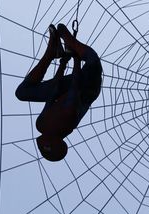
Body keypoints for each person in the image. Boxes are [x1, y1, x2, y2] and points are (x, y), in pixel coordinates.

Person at [15, 24, 103, 161]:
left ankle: (51, 53)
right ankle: (73, 44)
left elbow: (53, 93)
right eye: (45, 148)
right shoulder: (68, 121)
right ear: (54, 143)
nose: (40, 145)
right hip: (88, 87)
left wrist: (63, 63)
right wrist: (75, 58)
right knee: (93, 63)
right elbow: (76, 87)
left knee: (23, 93)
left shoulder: (42, 125)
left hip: (68, 87)